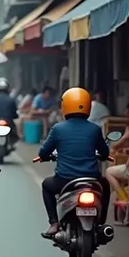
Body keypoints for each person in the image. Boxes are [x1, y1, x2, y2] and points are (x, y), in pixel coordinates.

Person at [39, 87, 112, 238]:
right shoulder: (95, 129)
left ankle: (54, 222)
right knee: (105, 186)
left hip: (64, 180)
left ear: (65, 106)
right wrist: (103, 155)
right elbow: (105, 152)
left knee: (46, 186)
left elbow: (43, 152)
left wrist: (45, 156)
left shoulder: (58, 129)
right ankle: (101, 222)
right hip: (92, 180)